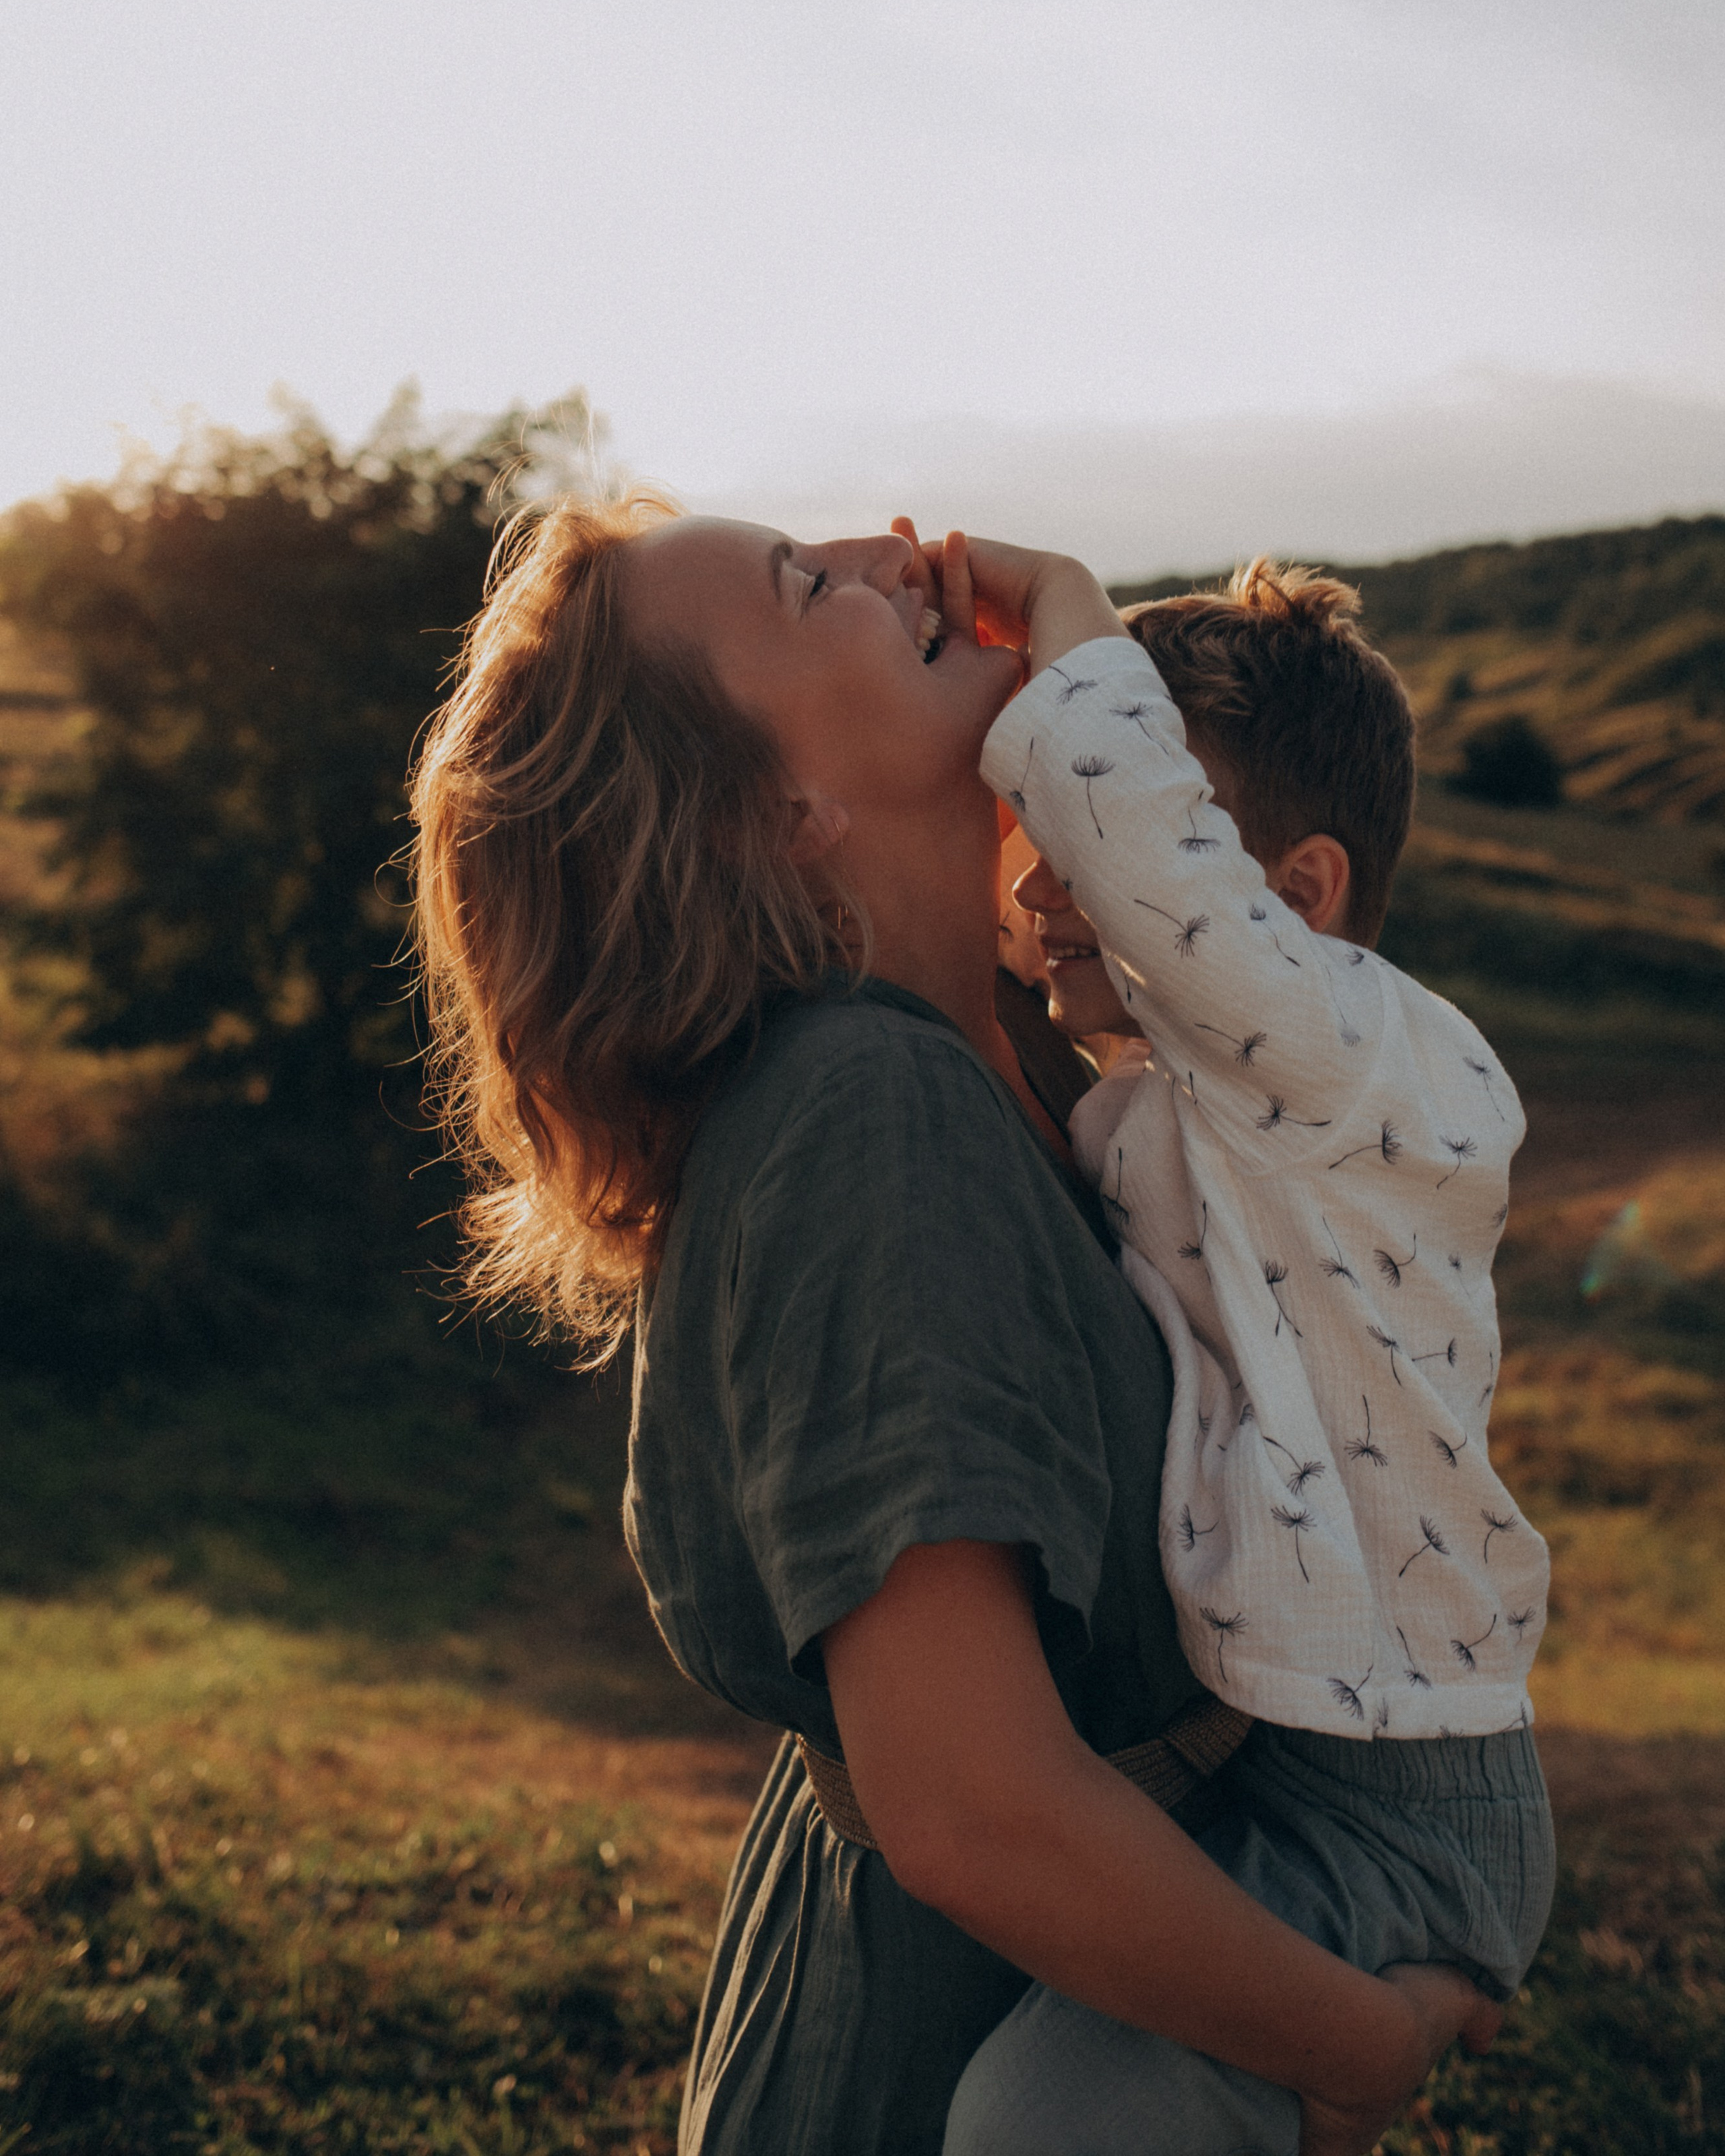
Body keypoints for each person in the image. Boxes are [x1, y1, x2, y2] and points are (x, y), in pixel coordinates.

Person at [410, 491, 1501, 2156]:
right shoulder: (869, 1116)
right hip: (936, 2072)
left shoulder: (1029, 1057)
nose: (891, 549)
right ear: (774, 807)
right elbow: (975, 1811)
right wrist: (1356, 2042)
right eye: (805, 582)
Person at [927, 532, 1553, 2156]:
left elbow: (1146, 869)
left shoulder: (1348, 1056)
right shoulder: (1197, 1104)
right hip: (1278, 1759)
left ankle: (1382, 2040)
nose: (1051, 881)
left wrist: (1062, 606)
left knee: (1027, 2129)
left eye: (1112, 841)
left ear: (1290, 904)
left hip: (1401, 1807)